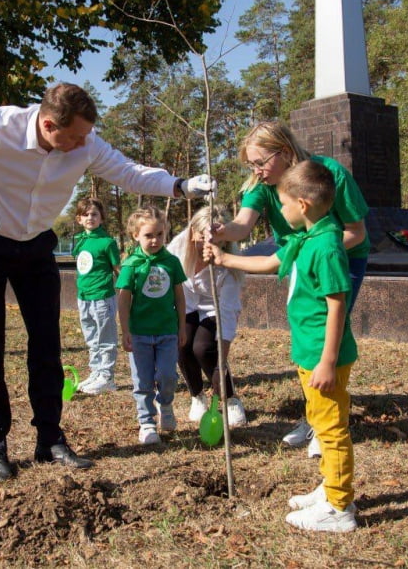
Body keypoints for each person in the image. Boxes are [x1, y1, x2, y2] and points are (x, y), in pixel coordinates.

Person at [0, 82, 214, 482]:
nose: (86, 144)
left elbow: (127, 172)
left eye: (87, 135)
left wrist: (180, 185)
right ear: (49, 125)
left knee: (47, 343)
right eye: (77, 136)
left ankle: (50, 438)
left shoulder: (85, 142)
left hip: (34, 244)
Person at [206, 160, 359, 532]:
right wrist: (225, 257)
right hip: (310, 351)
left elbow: (338, 305)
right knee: (322, 422)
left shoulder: (326, 246)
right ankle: (330, 488)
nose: (280, 211)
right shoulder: (305, 238)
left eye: (283, 204)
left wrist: (327, 361)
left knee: (331, 428)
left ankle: (340, 509)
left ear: (302, 205)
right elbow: (273, 260)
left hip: (324, 355)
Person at [211, 121, 369, 453]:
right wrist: (221, 232)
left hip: (339, 257)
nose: (256, 171)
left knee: (327, 332)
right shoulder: (262, 182)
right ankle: (315, 414)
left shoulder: (327, 174)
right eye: (250, 165)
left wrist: (316, 250)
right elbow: (242, 226)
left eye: (260, 162)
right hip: (300, 257)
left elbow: (356, 231)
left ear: (284, 152)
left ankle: (326, 424)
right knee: (308, 334)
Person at [166, 205, 247, 427]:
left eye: (217, 239)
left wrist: (221, 364)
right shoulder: (178, 248)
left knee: (203, 348)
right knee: (183, 344)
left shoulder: (229, 266)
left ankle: (230, 399)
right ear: (193, 232)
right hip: (189, 305)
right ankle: (197, 395)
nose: (209, 244)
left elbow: (228, 315)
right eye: (203, 237)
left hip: (215, 309)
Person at [116, 207, 187, 445]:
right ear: (136, 235)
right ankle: (147, 422)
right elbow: (124, 299)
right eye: (148, 235)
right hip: (140, 334)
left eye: (159, 234)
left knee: (168, 376)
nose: (155, 240)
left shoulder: (172, 262)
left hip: (168, 332)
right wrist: (125, 330)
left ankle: (165, 405)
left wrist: (182, 327)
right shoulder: (131, 265)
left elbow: (179, 297)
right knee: (143, 381)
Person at [71, 198, 121, 395]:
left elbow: (118, 268)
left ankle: (107, 377)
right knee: (91, 337)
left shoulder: (107, 242)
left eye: (94, 214)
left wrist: (128, 291)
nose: (90, 217)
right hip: (83, 297)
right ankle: (96, 372)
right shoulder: (81, 241)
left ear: (101, 218)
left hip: (102, 298)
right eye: (86, 214)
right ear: (79, 219)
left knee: (105, 337)